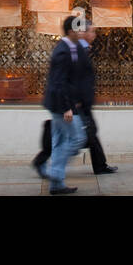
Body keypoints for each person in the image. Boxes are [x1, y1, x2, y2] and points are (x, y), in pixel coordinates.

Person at [31, 21, 118, 177]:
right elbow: (66, 79)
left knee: (86, 133)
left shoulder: (79, 48)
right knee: (77, 137)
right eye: (91, 31)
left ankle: (98, 165)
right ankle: (53, 168)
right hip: (74, 102)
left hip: (79, 101)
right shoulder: (72, 49)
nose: (94, 35)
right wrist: (71, 103)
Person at [38, 14, 86, 194]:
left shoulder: (70, 47)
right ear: (71, 30)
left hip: (61, 103)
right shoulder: (63, 50)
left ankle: (56, 185)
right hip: (60, 105)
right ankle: (54, 173)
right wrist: (67, 107)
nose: (82, 32)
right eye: (79, 29)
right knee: (76, 139)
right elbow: (59, 82)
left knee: (59, 142)